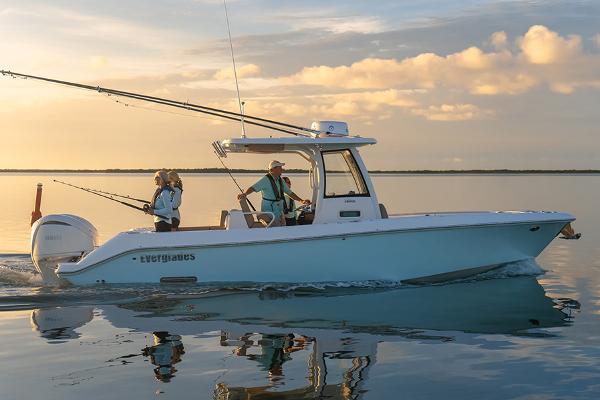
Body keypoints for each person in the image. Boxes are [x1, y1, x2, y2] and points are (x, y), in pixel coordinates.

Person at [237, 160, 310, 227]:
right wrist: (245, 194)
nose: (282, 169)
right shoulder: (266, 179)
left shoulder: (280, 180)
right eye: (280, 167)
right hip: (269, 210)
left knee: (283, 225)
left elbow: (290, 193)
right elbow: (253, 188)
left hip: (279, 210)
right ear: (273, 169)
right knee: (277, 227)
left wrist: (301, 200)